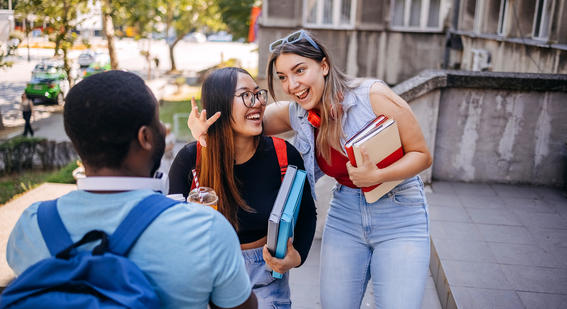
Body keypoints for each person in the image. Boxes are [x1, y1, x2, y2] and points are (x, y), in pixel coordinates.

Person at [188, 30, 433, 308]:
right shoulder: (298, 113)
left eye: (299, 70)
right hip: (346, 214)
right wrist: (206, 128)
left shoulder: (372, 95)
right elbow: (245, 117)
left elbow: (422, 155)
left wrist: (378, 175)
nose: (291, 85)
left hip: (399, 211)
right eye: (282, 77)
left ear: (324, 66)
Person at [6, 70, 257, 309]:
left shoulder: (30, 226)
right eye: (158, 121)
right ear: (145, 137)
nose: (164, 129)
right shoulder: (205, 230)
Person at [169, 67, 317, 309]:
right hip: (206, 282)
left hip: (265, 283)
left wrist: (296, 257)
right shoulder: (191, 160)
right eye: (246, 95)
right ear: (221, 105)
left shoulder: (282, 154)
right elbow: (170, 229)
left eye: (258, 94)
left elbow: (307, 214)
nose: (257, 102)